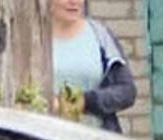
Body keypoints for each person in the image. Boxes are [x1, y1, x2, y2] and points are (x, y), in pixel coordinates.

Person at [50, 0, 135, 132]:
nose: (73, 2)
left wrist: (84, 101)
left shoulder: (100, 36)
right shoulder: (30, 38)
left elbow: (126, 91)